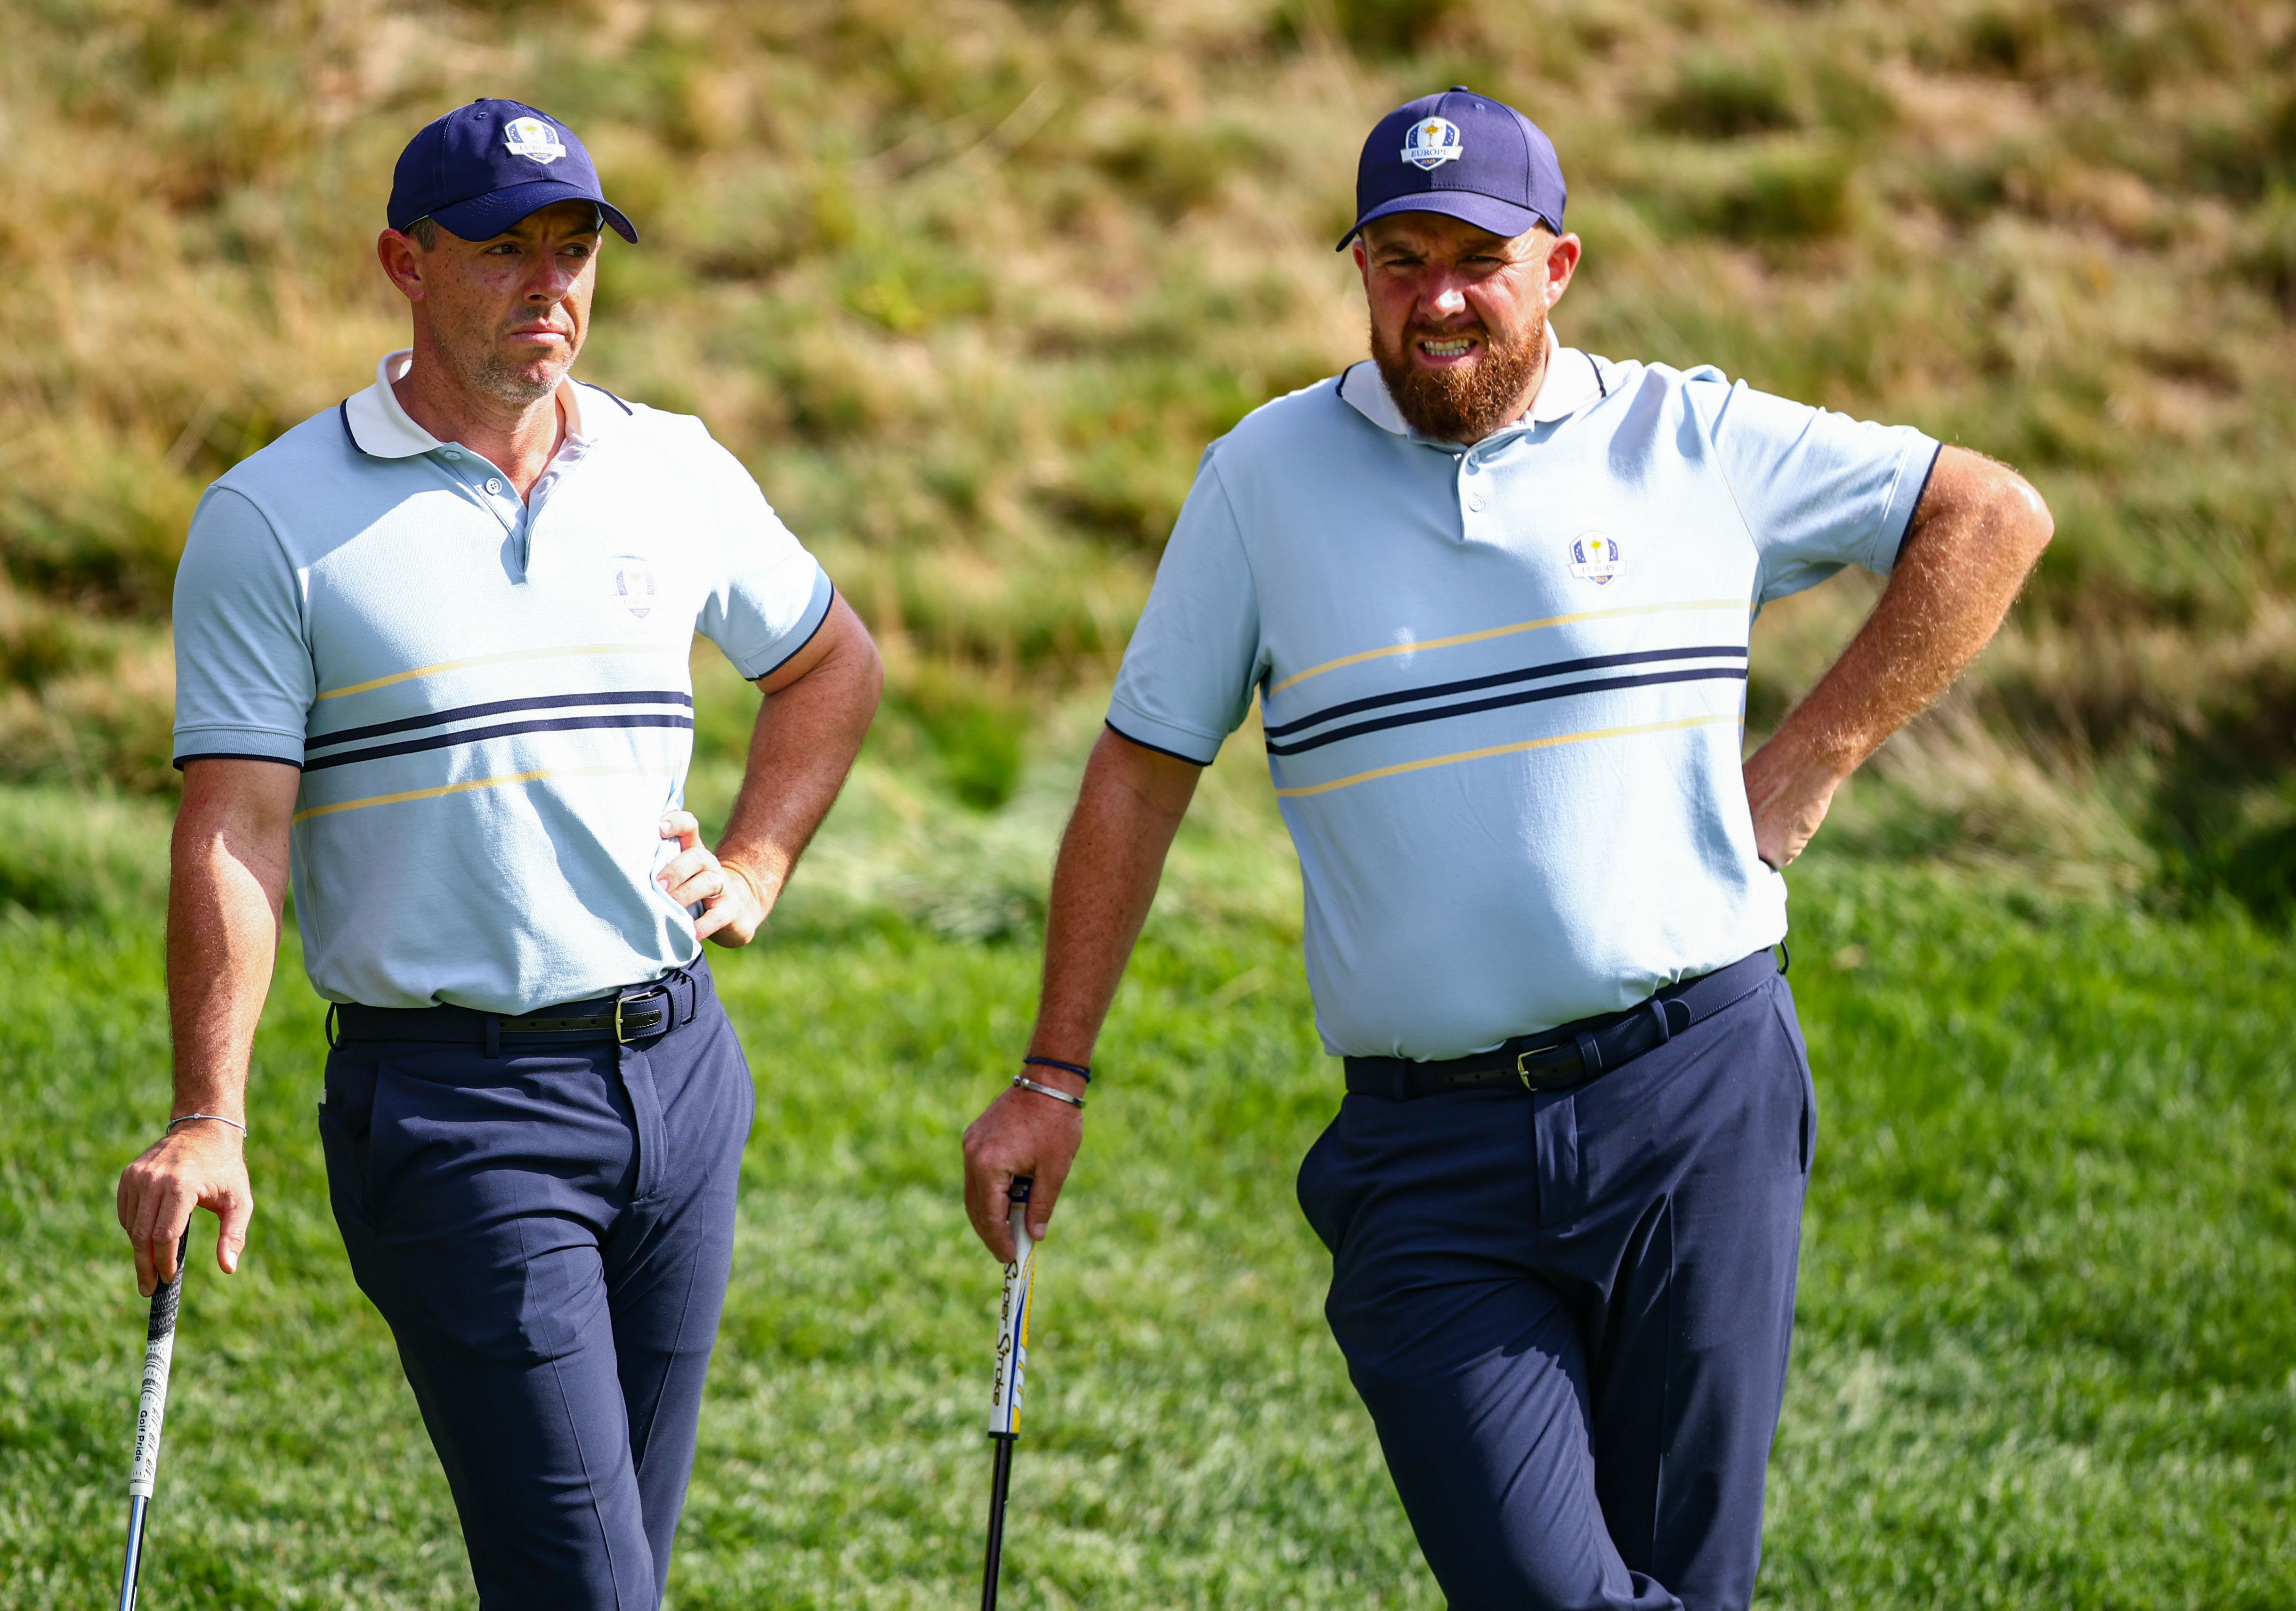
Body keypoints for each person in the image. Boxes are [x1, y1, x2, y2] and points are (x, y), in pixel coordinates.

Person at [960, 87, 2051, 1610]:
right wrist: (1052, 1077)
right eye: (1398, 261)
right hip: (1426, 1155)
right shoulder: (1261, 481)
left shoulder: (1692, 436)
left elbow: (1991, 516)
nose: (1439, 299)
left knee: (1689, 1582)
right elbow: (1143, 771)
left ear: (1559, 265)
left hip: (1695, 1101)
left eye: (1477, 256)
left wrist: (1805, 767)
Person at [115, 98, 881, 1608]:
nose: (552, 285)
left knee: (604, 1577)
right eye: (505, 249)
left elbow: (829, 663)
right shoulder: (274, 518)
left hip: (679, 1080)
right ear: (404, 261)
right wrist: (211, 1114)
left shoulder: (673, 468)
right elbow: (237, 826)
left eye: (577, 247)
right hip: (456, 1118)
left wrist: (760, 859)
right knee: (593, 1592)